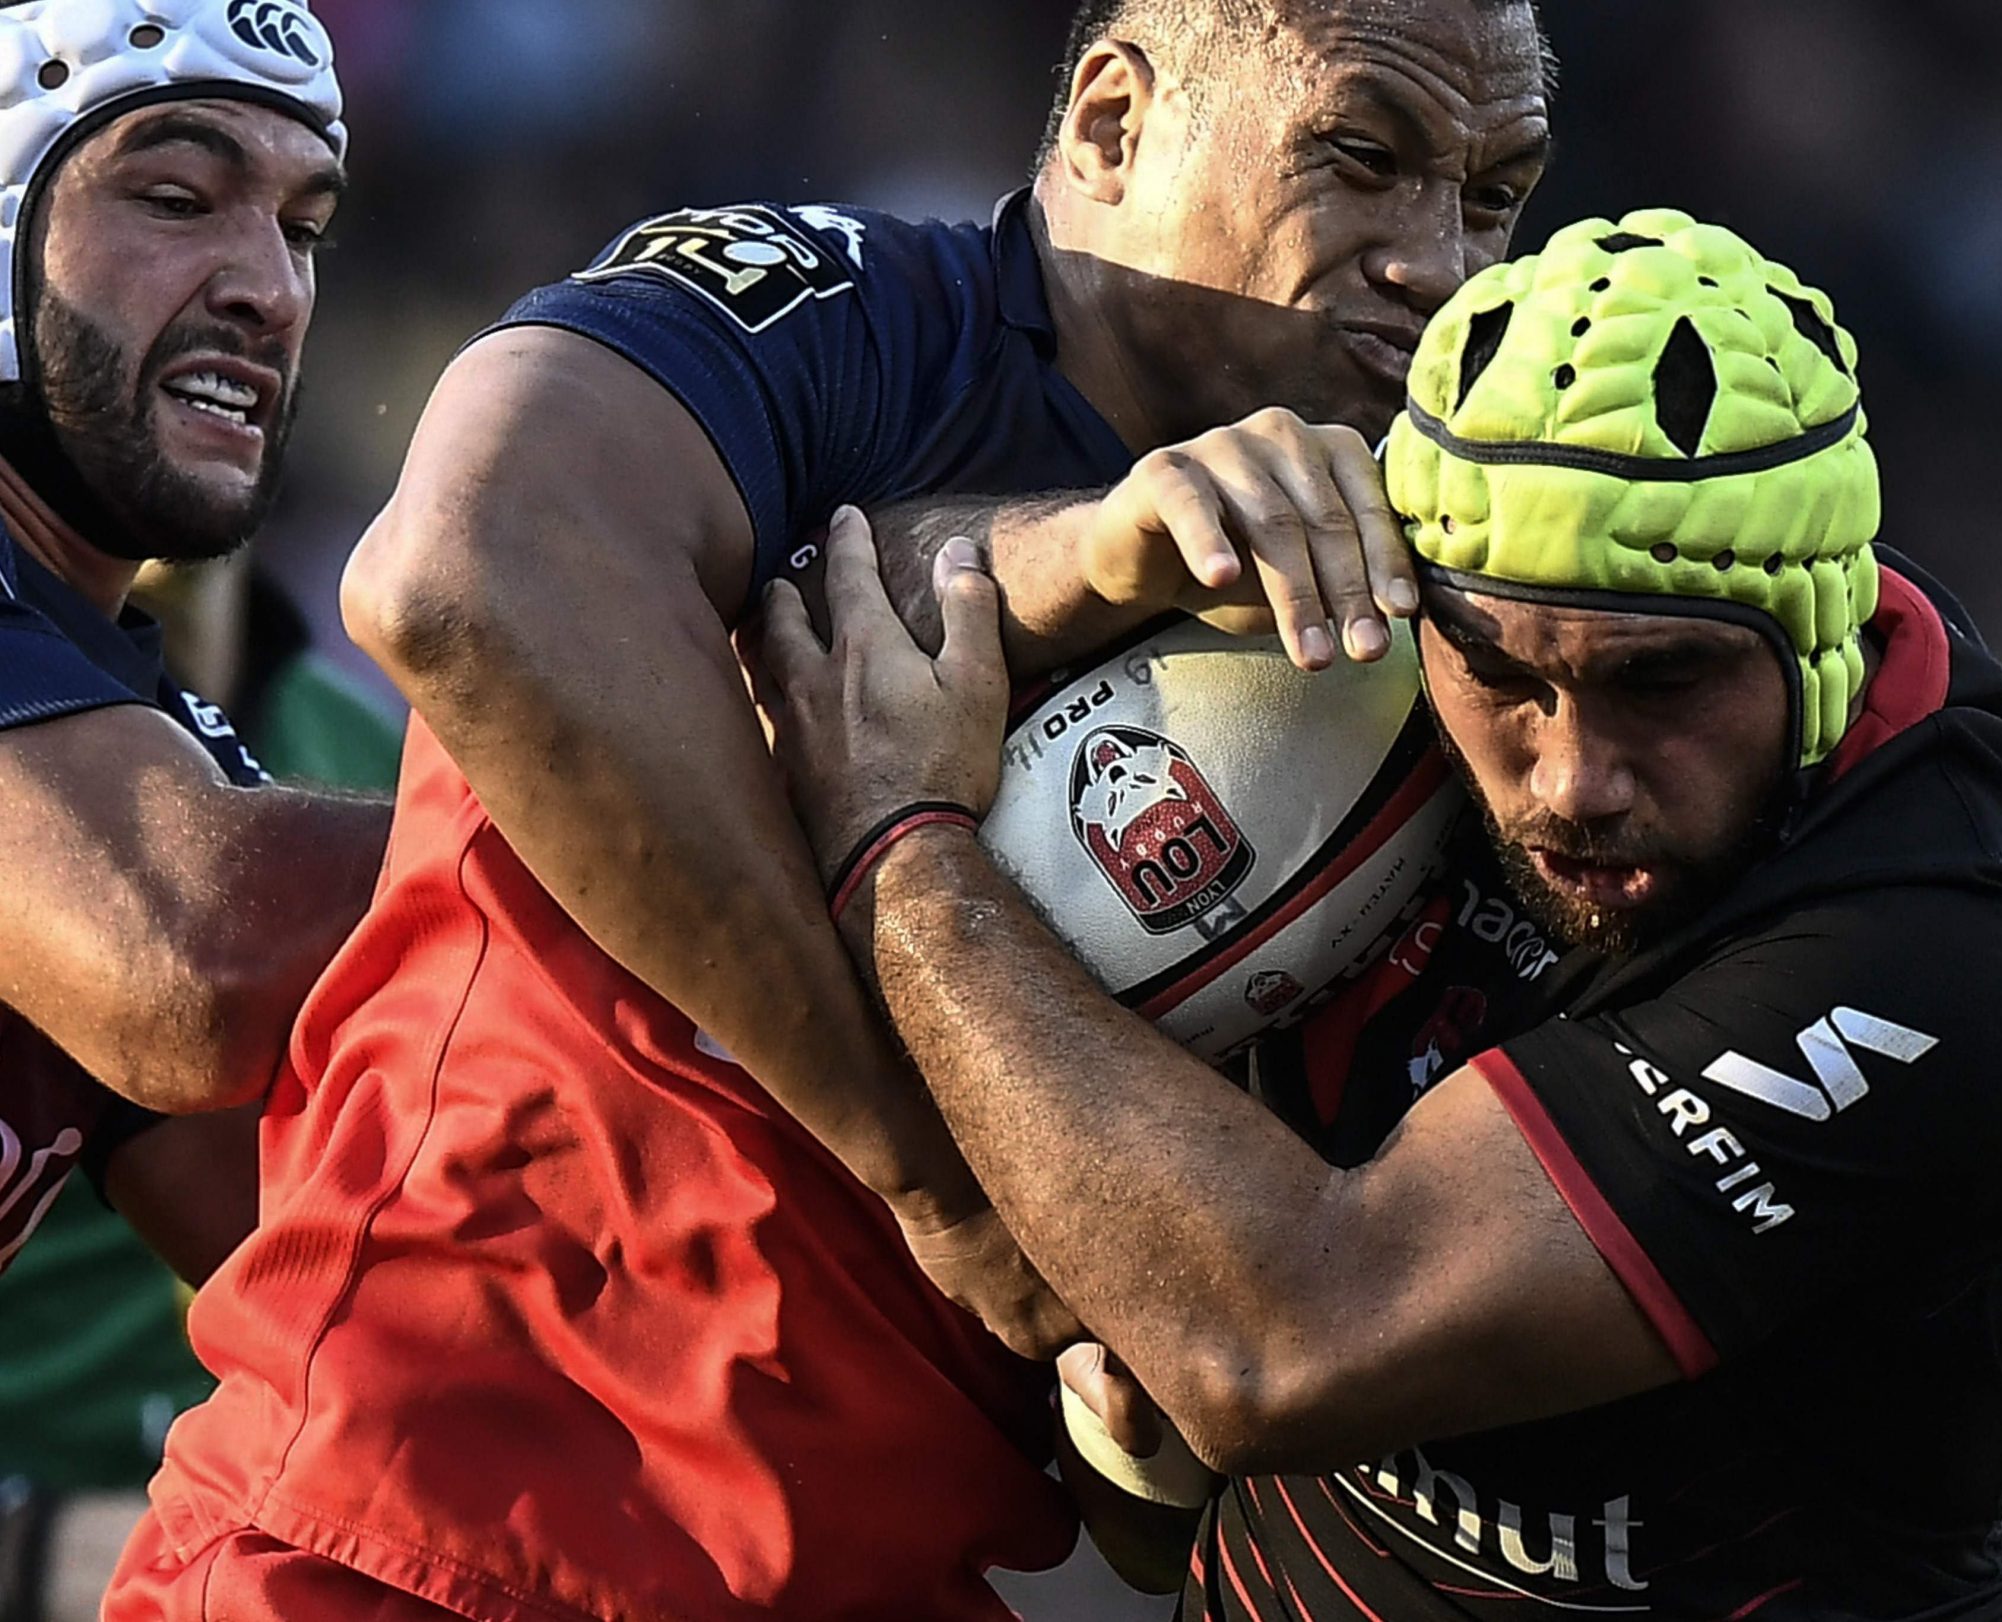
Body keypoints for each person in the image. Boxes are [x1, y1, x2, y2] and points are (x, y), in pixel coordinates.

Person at [114, 2, 1554, 1619]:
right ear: (1110, 122)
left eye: (1493, 197)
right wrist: (928, 1168)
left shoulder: (1436, 662)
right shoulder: (835, 317)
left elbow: (1158, 1495)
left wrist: (1138, 1369)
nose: (1439, 264)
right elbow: (458, 574)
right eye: (1362, 157)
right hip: (417, 1538)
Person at [750, 212, 2002, 1619]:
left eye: (1663, 683)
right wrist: (1100, 551)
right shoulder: (1399, 614)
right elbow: (819, 602)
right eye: (1504, 676)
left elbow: (1277, 1350)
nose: (1573, 779)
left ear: (1820, 644)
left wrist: (904, 858)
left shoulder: (1948, 956)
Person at [0, 0, 384, 1610]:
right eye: (175, 196)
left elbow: (340, 1284)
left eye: (303, 227)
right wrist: (669, 777)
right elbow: (193, 950)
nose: (268, 287)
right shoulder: (140, 837)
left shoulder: (122, 713)